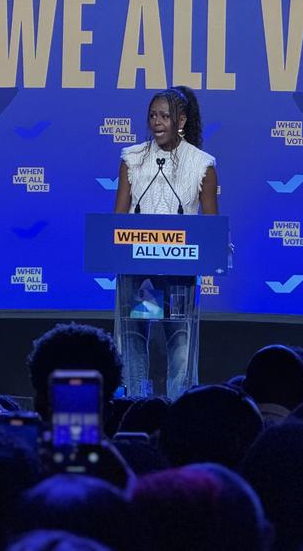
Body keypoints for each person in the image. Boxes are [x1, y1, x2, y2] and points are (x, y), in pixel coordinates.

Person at [113, 86, 218, 399]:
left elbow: (211, 226)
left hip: (178, 272)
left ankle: (180, 409)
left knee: (180, 343)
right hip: (137, 270)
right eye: (152, 116)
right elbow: (118, 216)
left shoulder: (202, 164)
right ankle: (132, 405)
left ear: (181, 120)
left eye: (165, 116)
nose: (157, 122)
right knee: (133, 338)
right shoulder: (132, 159)